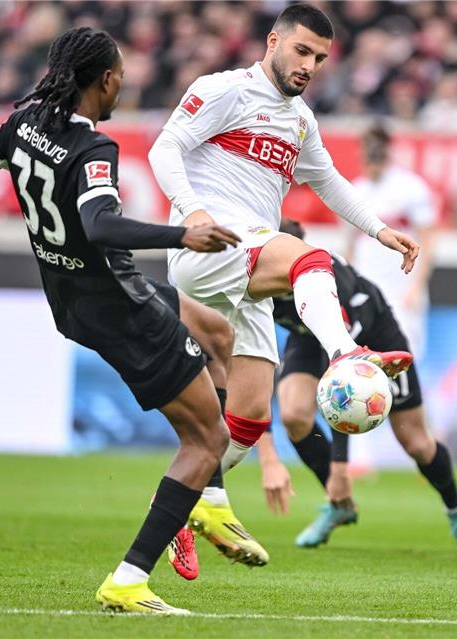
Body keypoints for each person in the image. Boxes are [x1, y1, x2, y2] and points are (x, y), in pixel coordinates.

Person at [0, 26, 257, 615]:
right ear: (105, 80)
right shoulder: (92, 148)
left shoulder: (24, 124)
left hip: (74, 300)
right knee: (207, 439)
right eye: (121, 77)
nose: (122, 86)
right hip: (121, 308)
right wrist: (182, 234)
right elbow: (101, 225)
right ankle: (130, 579)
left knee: (218, 333)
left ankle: (207, 501)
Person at [147, 6, 420, 534]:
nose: (309, 66)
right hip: (210, 244)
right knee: (311, 259)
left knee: (247, 421)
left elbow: (329, 180)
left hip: (247, 260)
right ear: (273, 42)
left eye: (319, 58)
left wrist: (380, 230)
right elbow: (165, 148)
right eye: (301, 51)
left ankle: (174, 511)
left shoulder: (300, 119)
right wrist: (192, 211)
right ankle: (346, 355)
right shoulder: (225, 90)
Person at [262, 219, 457, 553]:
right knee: (294, 415)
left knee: (416, 442)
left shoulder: (327, 280)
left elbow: (345, 383)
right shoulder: (258, 282)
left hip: (374, 338)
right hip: (308, 337)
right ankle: (339, 504)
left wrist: (342, 466)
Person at [348, 123, 438, 361]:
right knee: (365, 360)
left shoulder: (411, 188)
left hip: (401, 288)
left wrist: (417, 286)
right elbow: (349, 246)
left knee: (405, 357)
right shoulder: (355, 190)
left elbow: (428, 240)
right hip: (366, 288)